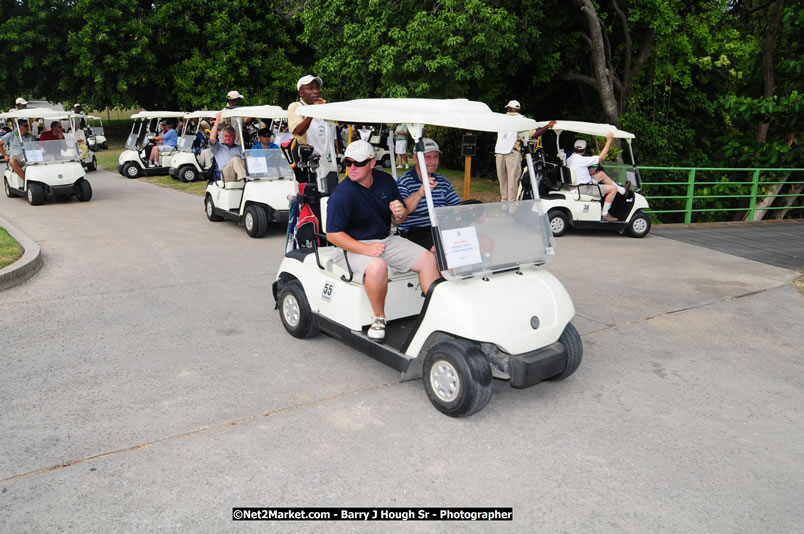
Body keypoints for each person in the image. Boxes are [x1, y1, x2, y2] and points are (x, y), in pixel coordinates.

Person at [326, 140, 440, 342]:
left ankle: (437, 315)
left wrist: (399, 213)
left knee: (428, 260)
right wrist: (366, 248)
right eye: (348, 162)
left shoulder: (385, 181)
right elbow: (333, 235)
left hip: (384, 240)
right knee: (377, 266)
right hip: (349, 246)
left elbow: (401, 217)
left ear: (371, 163)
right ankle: (379, 318)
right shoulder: (342, 195)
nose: (351, 167)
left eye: (357, 163)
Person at [397, 138, 461, 250]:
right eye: (427, 157)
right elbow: (402, 211)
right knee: (444, 249)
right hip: (414, 231)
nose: (432, 162)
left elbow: (456, 205)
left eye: (435, 157)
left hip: (441, 229)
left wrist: (471, 210)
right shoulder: (404, 182)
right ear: (416, 158)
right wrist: (419, 193)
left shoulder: (443, 182)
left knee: (483, 242)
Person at [494, 100, 556, 201]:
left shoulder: (502, 118)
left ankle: (504, 202)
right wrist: (548, 126)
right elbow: (535, 134)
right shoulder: (522, 120)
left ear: (509, 108)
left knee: (503, 180)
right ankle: (511, 205)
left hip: (499, 153)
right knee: (512, 180)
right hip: (512, 153)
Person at [566, 132, 628, 221]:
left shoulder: (569, 158)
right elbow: (601, 158)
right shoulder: (582, 160)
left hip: (577, 185)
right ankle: (605, 213)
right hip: (584, 188)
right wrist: (609, 140)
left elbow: (579, 170)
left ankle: (621, 190)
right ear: (584, 150)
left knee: (601, 174)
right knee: (613, 189)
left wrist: (590, 172)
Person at [288, 75, 336, 170]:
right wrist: (313, 111)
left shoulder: (324, 108)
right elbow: (299, 130)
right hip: (306, 164)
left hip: (326, 162)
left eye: (317, 87)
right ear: (301, 93)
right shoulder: (296, 107)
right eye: (310, 88)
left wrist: (324, 109)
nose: (316, 91)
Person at [208, 110, 246, 182]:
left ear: (234, 138)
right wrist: (217, 121)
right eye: (226, 136)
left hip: (238, 173)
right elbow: (212, 138)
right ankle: (243, 181)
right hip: (225, 174)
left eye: (230, 136)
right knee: (235, 159)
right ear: (222, 137)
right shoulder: (218, 147)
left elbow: (243, 160)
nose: (227, 138)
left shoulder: (239, 148)